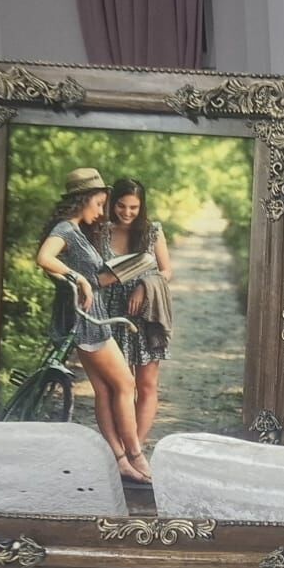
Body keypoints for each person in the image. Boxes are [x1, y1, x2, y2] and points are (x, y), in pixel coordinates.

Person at [33, 167, 152, 484]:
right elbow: (44, 258)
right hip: (88, 321)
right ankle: (135, 455)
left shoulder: (77, 231)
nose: (101, 211)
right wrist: (80, 280)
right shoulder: (65, 229)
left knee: (105, 390)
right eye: (98, 204)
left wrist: (105, 277)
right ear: (82, 200)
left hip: (90, 315)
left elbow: (80, 276)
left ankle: (120, 460)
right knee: (125, 385)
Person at [102, 177, 173, 449]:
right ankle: (120, 448)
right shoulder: (101, 231)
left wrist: (144, 286)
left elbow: (166, 271)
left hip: (146, 315)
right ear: (112, 203)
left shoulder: (152, 232)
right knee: (119, 386)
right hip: (112, 314)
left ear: (142, 206)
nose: (127, 212)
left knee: (146, 385)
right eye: (121, 206)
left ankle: (136, 449)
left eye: (134, 207)